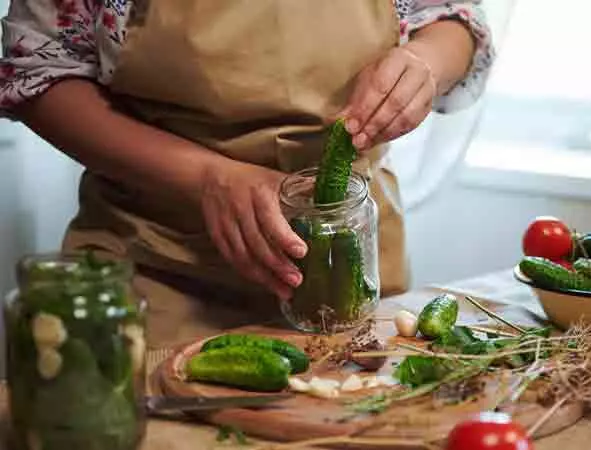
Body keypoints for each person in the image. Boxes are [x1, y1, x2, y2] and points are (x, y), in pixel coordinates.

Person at [0, 0, 493, 345]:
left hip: (349, 268)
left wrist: (423, 60)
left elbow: (455, 16)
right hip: (158, 269)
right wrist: (205, 178)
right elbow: (37, 72)